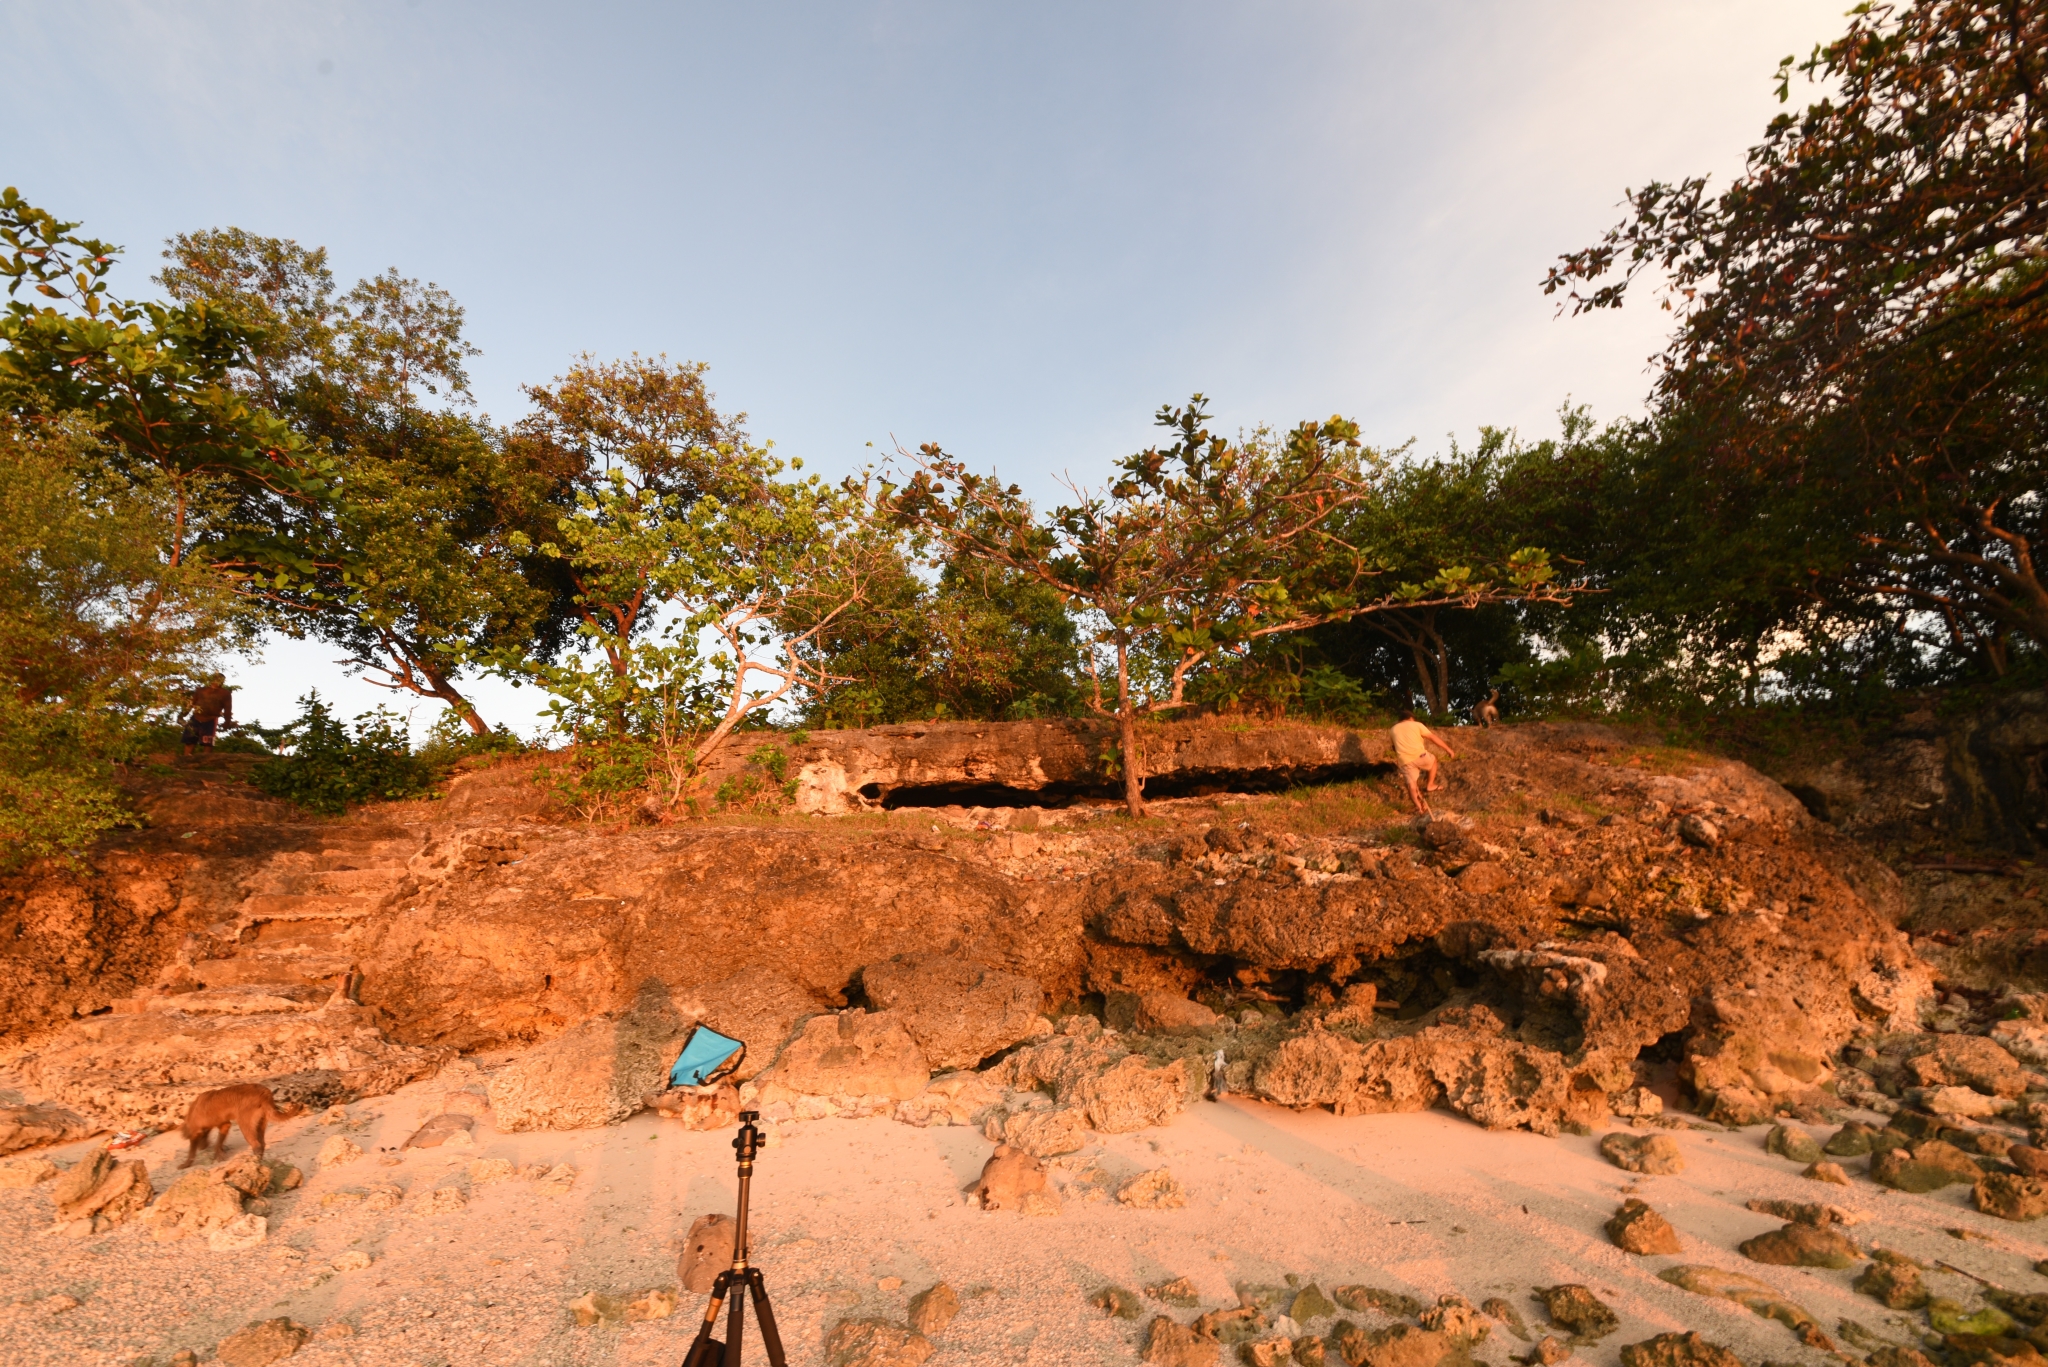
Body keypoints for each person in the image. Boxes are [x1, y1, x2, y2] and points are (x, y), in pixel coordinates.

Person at [1390, 706, 1456, 814]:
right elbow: (1432, 737)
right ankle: (1430, 785)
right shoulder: (1417, 725)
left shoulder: (1393, 729)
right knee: (1433, 759)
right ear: (1411, 718)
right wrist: (1448, 749)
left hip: (1405, 760)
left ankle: (1419, 807)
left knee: (1411, 785)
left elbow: (1394, 747)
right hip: (1420, 756)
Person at [182, 673, 235, 759]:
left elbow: (228, 709)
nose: (218, 682)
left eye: (221, 680)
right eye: (216, 679)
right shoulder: (201, 690)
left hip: (211, 719)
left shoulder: (225, 694)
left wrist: (227, 722)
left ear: (223, 682)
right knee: (189, 740)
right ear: (212, 680)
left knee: (208, 743)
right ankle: (185, 759)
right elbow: (191, 703)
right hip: (196, 717)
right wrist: (182, 714)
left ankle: (205, 761)